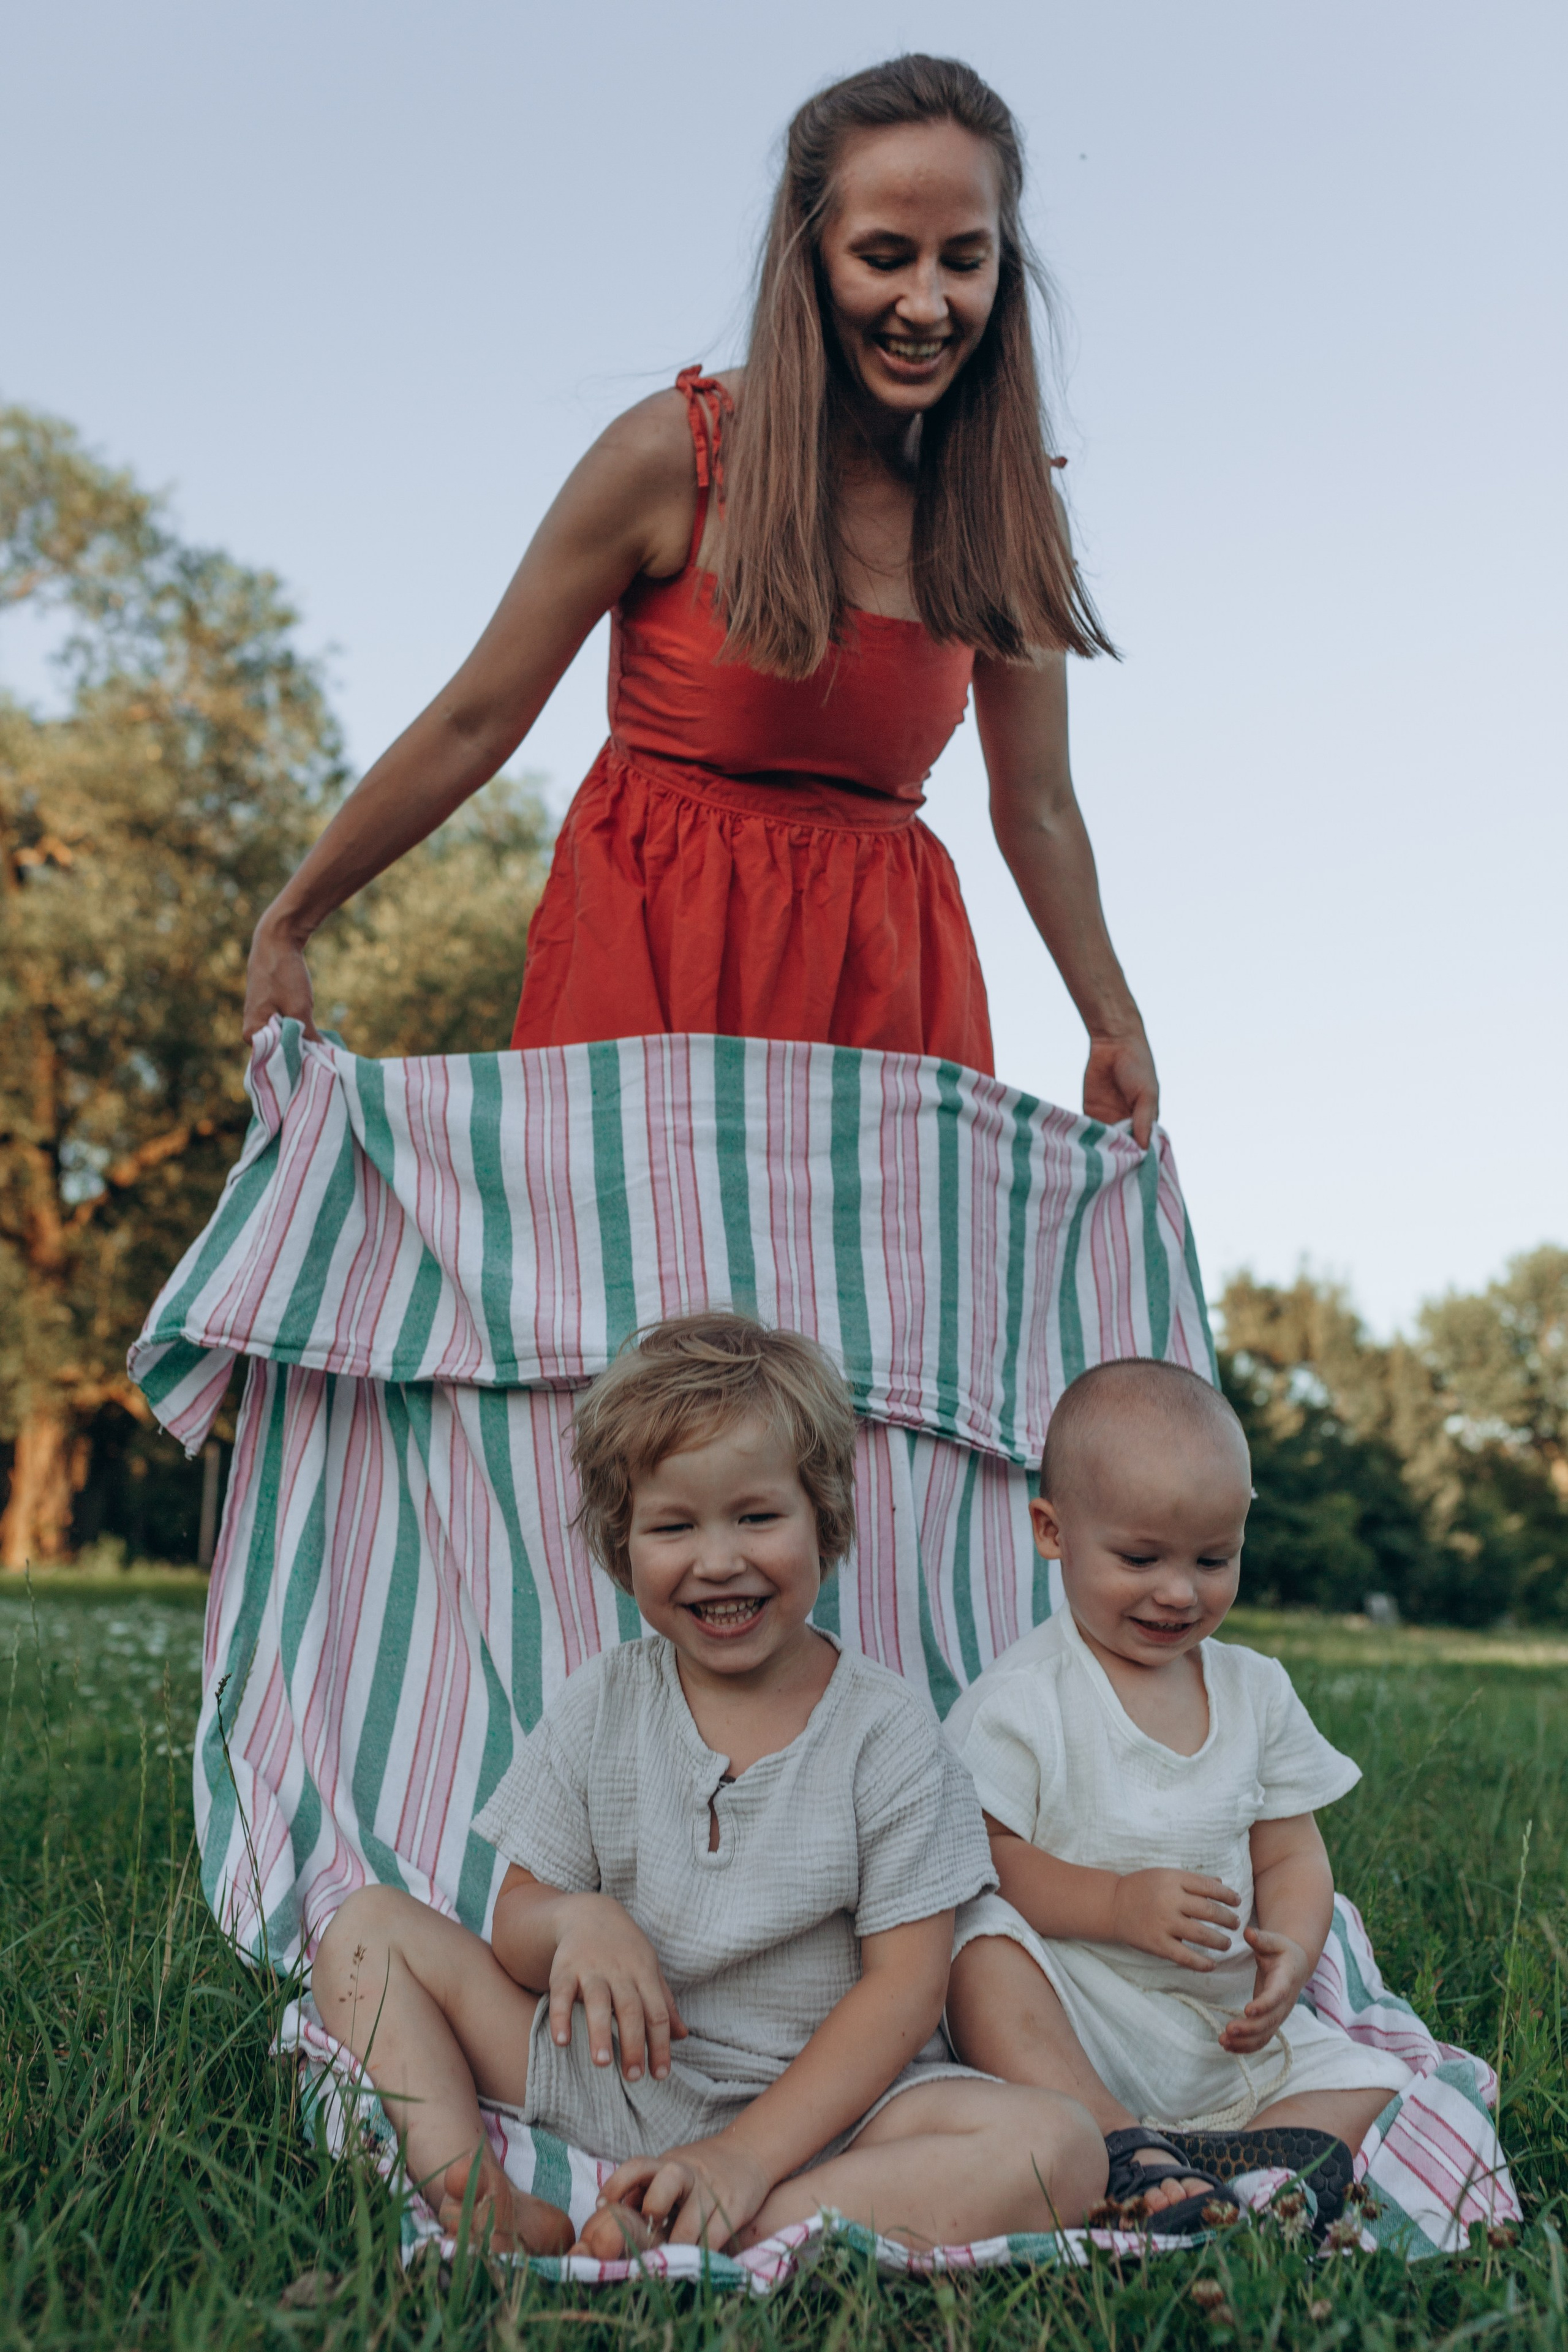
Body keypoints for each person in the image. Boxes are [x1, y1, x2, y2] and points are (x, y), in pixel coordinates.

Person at [241, 55, 1159, 1144]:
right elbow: (476, 717)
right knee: (635, 1307)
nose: (927, 302)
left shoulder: (1004, 511)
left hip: (886, 990)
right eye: (883, 256)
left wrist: (1112, 1023)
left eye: (965, 260)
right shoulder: (670, 456)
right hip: (652, 952)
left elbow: (1039, 804)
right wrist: (292, 919)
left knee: (858, 1312)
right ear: (810, 256)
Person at [311, 1313, 1106, 2255]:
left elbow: (905, 1991)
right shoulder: (601, 1704)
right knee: (366, 1933)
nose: (719, 1559)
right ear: (624, 1544)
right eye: (675, 1526)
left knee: (1060, 2149)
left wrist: (742, 2155)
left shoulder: (886, 1734)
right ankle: (468, 2185)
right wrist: (575, 1921)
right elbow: (516, 1926)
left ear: (825, 1521)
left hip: (831, 2111)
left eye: (757, 1517)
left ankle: (721, 2222)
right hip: (618, 2071)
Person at [942, 1359, 1414, 2236]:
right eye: (1141, 1558)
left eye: (1213, 1559)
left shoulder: (1255, 1690)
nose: (1179, 1591)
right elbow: (983, 1861)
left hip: (1225, 2020)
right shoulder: (1025, 1701)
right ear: (1053, 1531)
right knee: (976, 1949)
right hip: (1083, 2004)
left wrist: (1296, 1952)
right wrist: (1115, 1903)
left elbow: (1290, 1851)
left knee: (1379, 2083)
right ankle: (1120, 2140)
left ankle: (1253, 2168)